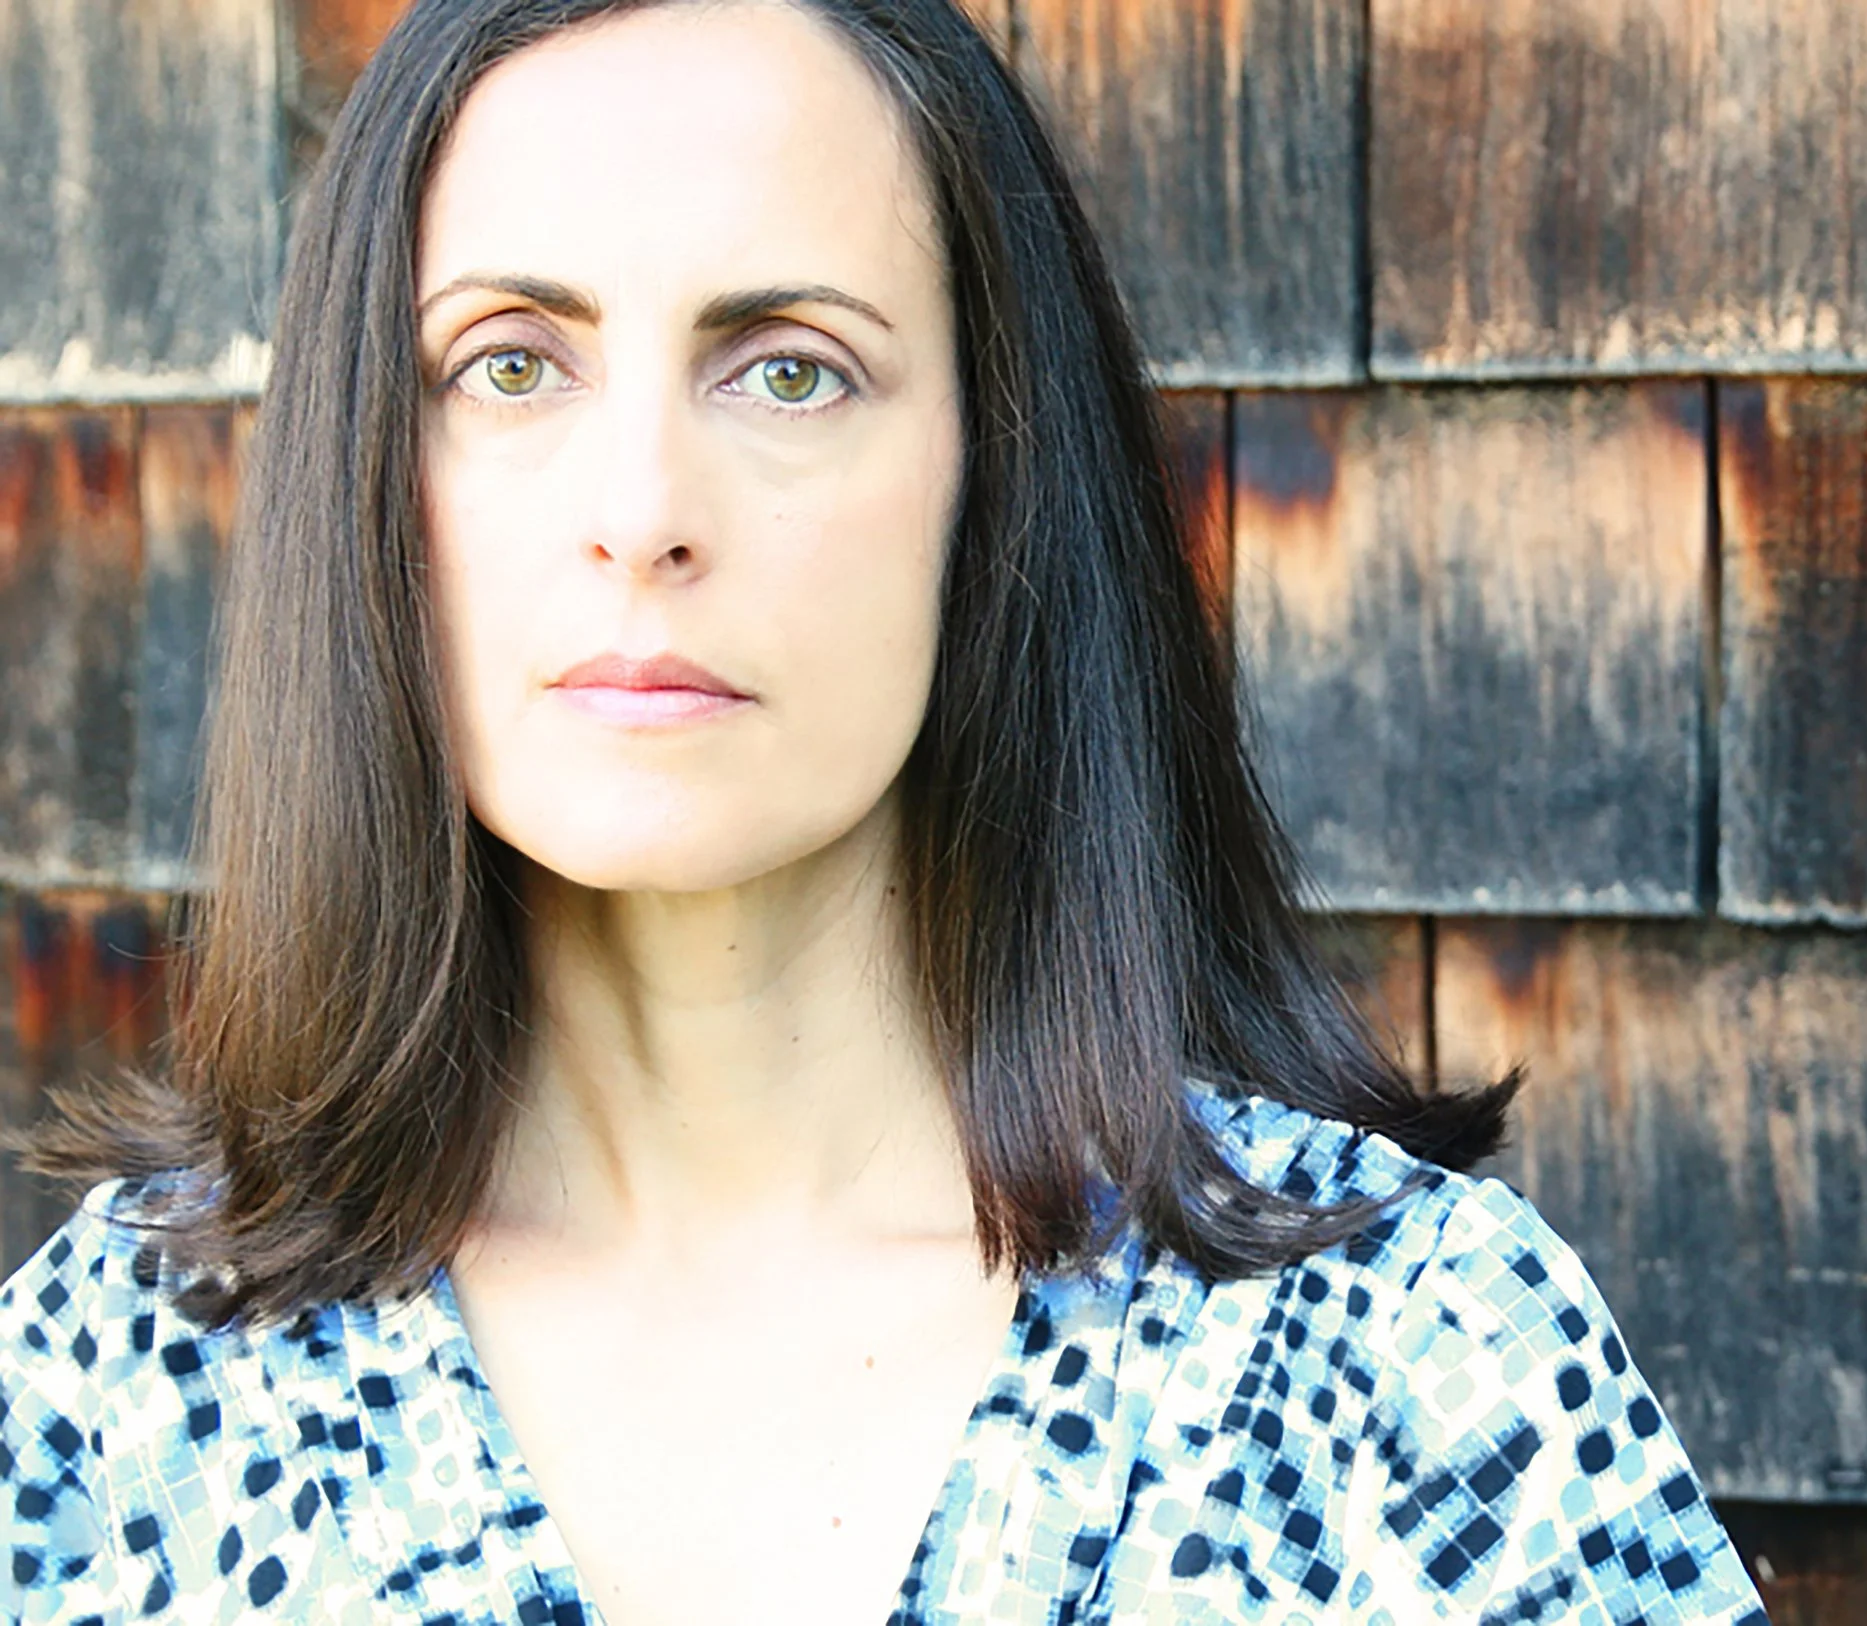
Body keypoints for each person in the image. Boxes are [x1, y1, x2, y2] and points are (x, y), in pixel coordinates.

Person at [0, 2, 1767, 1621]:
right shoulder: (118, 1394)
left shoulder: (1415, 1370)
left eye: (787, 368)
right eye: (511, 364)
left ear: (987, 481)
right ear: (369, 474)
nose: (641, 512)